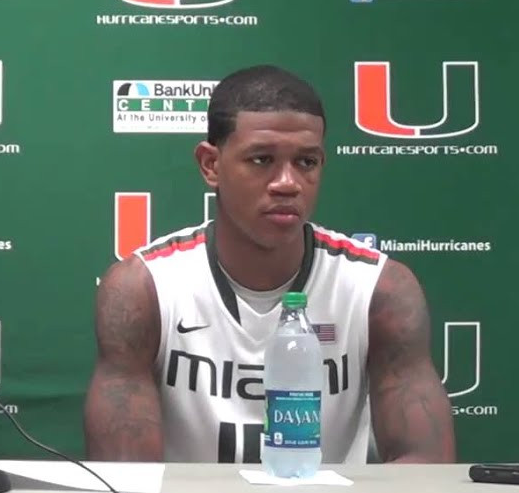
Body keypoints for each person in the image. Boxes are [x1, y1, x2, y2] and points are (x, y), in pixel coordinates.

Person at [84, 65, 456, 464]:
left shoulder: (379, 290)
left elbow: (425, 472)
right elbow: (127, 481)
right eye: (262, 160)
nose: (287, 182)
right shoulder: (144, 288)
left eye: (307, 162)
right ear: (211, 164)